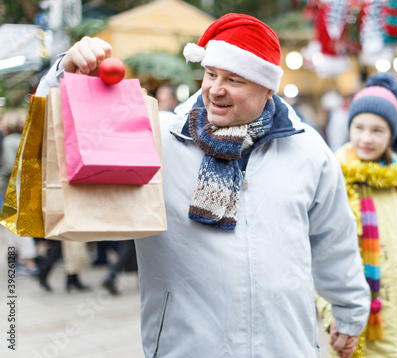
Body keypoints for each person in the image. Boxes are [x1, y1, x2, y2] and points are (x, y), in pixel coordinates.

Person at [36, 13, 370, 358]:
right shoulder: (157, 136)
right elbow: (55, 153)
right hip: (186, 347)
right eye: (211, 74)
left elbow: (334, 241)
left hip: (285, 347)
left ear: (267, 88)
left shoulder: (307, 149)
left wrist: (349, 312)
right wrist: (66, 79)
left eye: (234, 79)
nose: (215, 88)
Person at [316, 73, 397, 358]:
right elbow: (321, 260)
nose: (366, 139)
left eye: (378, 130)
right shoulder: (334, 178)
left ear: (391, 134)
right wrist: (336, 321)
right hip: (361, 334)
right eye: (359, 127)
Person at [0, 109, 38, 276]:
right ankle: (26, 263)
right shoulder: (26, 139)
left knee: (12, 229)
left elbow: (8, 167)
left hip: (12, 188)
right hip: (25, 187)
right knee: (21, 227)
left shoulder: (8, 142)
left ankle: (26, 264)